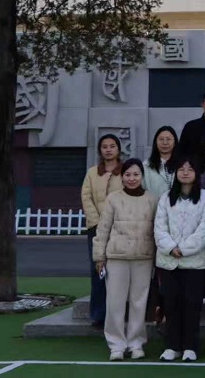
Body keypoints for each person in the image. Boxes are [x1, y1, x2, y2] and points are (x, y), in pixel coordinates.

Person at [93, 158, 159, 361]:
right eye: (128, 174)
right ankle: (116, 345)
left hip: (144, 256)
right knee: (115, 302)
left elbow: (157, 230)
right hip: (116, 257)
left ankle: (136, 343)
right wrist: (99, 256)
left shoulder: (152, 199)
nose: (132, 178)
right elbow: (103, 229)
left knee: (139, 302)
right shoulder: (113, 199)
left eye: (136, 174)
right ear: (122, 177)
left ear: (142, 176)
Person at [154, 157, 205, 362]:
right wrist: (171, 247)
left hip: (195, 262)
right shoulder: (166, 198)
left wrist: (184, 249)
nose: (185, 172)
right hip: (169, 261)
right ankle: (172, 346)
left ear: (197, 173)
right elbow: (159, 227)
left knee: (192, 305)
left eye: (190, 169)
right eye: (181, 169)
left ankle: (190, 347)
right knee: (171, 304)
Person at [81, 134, 123, 328]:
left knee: (119, 271)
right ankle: (98, 314)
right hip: (97, 229)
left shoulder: (126, 171)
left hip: (120, 228)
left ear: (118, 149)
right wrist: (98, 223)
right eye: (104, 146)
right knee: (98, 270)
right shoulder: (92, 173)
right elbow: (86, 197)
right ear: (100, 150)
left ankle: (119, 313)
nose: (108, 150)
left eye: (112, 146)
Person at [144, 126, 178, 196]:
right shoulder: (146, 165)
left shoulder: (182, 164)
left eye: (168, 139)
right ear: (155, 142)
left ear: (175, 142)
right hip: (153, 202)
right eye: (161, 139)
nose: (165, 142)